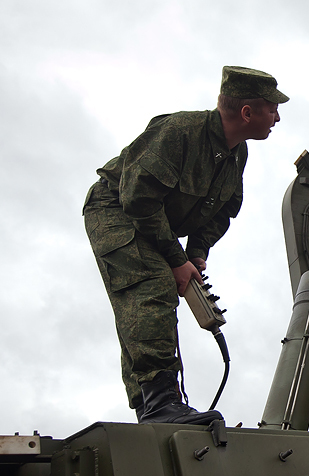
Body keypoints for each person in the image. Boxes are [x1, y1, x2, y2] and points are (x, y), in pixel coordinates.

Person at [84, 66, 289, 425]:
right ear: (247, 112)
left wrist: (196, 253)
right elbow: (139, 198)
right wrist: (177, 261)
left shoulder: (235, 154)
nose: (277, 116)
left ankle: (154, 407)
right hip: (115, 209)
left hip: (150, 219)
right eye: (272, 108)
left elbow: (221, 210)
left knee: (149, 300)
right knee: (151, 287)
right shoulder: (181, 132)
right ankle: (161, 403)